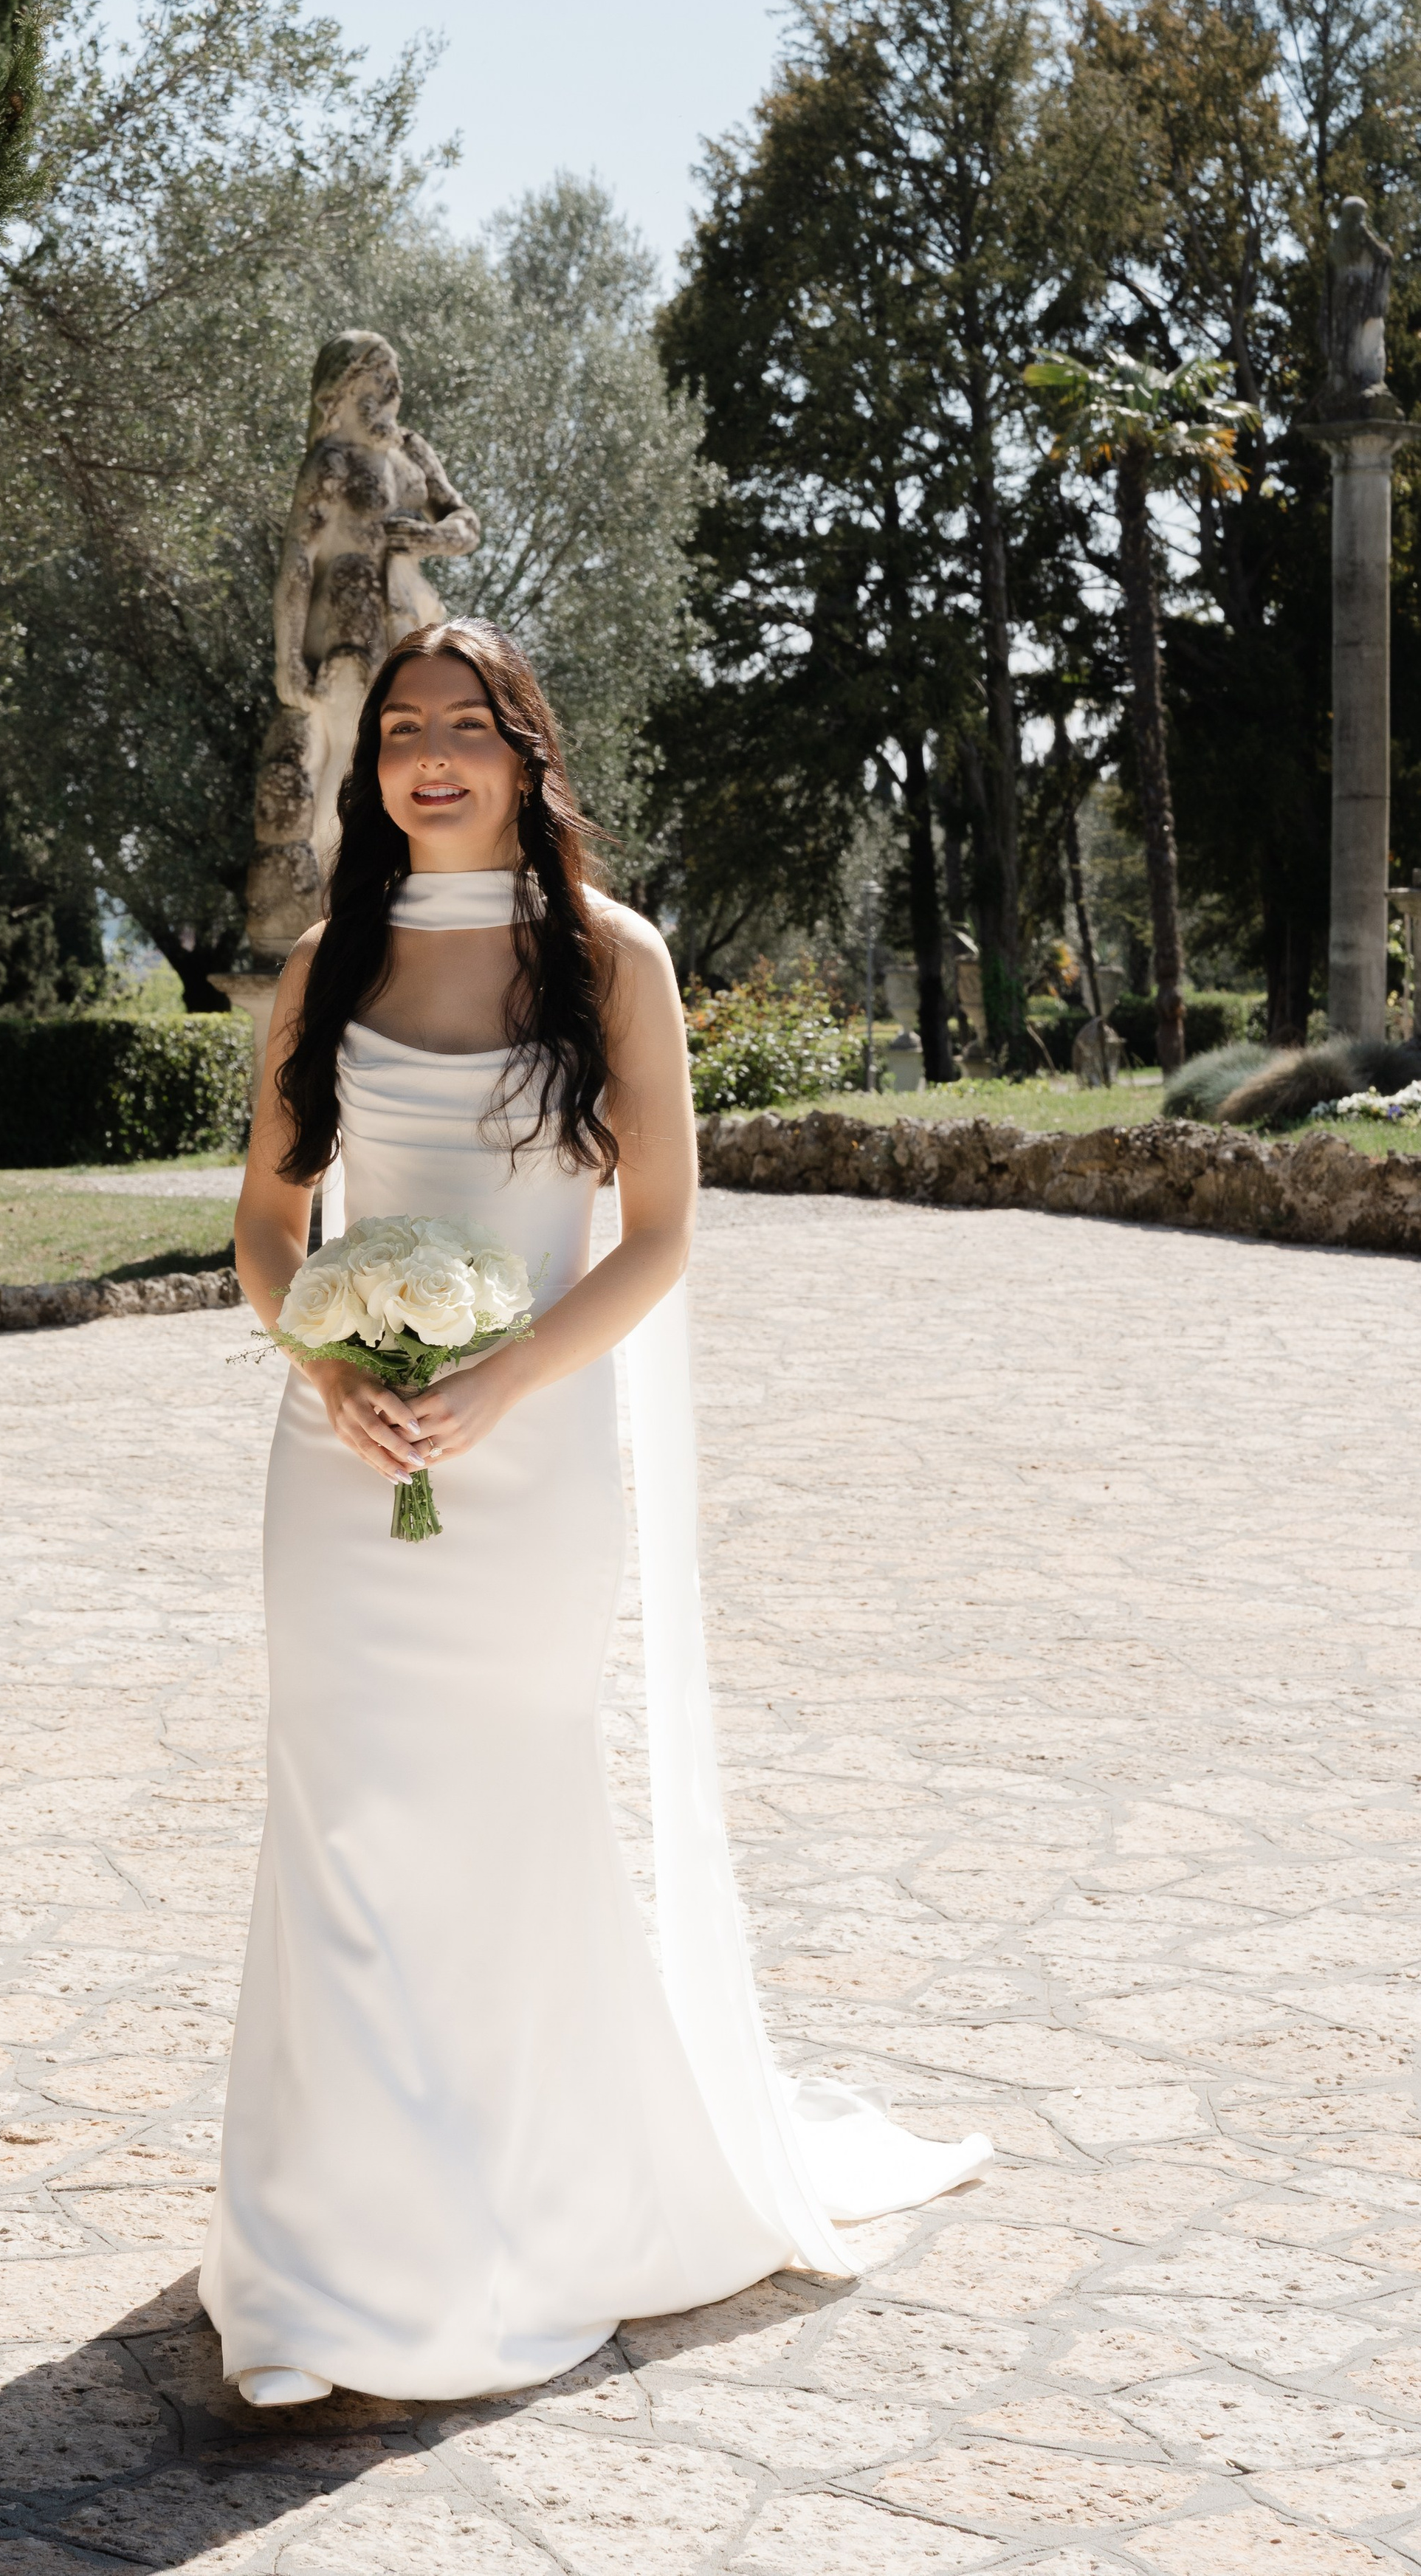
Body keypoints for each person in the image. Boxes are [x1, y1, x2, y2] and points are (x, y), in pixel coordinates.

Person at [202, 618, 988, 2407]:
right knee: (337, 1823)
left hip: (532, 1455)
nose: (425, 754)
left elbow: (659, 1241)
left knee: (493, 1821)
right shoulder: (325, 962)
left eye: (462, 726)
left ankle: (508, 2224)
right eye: (399, 727)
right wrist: (318, 1358)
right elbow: (265, 1215)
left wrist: (493, 1384)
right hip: (341, 1466)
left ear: (524, 751)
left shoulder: (613, 961)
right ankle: (322, 2266)